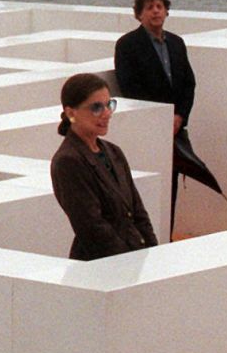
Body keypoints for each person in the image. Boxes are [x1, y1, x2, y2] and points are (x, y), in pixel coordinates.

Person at [113, 0, 196, 231]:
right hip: (147, 129)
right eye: (149, 7)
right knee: (146, 189)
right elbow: (129, 87)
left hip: (174, 128)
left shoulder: (177, 44)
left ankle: (167, 235)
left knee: (170, 185)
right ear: (139, 14)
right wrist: (160, 120)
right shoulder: (127, 45)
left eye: (160, 6)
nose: (156, 11)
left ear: (167, 11)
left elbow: (189, 84)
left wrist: (179, 116)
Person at [50, 72, 158, 260]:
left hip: (133, 258)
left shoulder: (113, 152)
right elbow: (91, 226)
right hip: (101, 267)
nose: (107, 113)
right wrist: (127, 262)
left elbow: (138, 211)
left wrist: (153, 254)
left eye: (109, 105)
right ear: (71, 113)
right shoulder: (68, 162)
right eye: (96, 107)